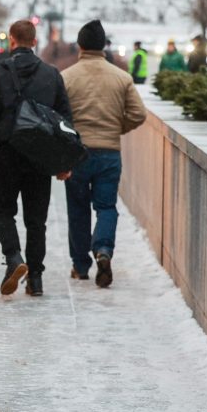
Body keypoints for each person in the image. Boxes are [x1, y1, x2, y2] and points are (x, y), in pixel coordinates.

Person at [0, 19, 72, 297]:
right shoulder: (51, 75)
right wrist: (62, 162)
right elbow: (64, 120)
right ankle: (37, 279)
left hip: (6, 154)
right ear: (35, 41)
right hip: (39, 157)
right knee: (36, 219)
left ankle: (14, 256)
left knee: (2, 210)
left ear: (12, 41)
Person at [61, 20, 147, 287]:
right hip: (109, 152)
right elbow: (138, 114)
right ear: (103, 47)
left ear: (81, 46)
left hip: (76, 154)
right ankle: (104, 251)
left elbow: (57, 116)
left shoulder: (66, 77)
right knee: (106, 206)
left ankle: (80, 265)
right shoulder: (122, 78)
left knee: (78, 209)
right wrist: (116, 128)